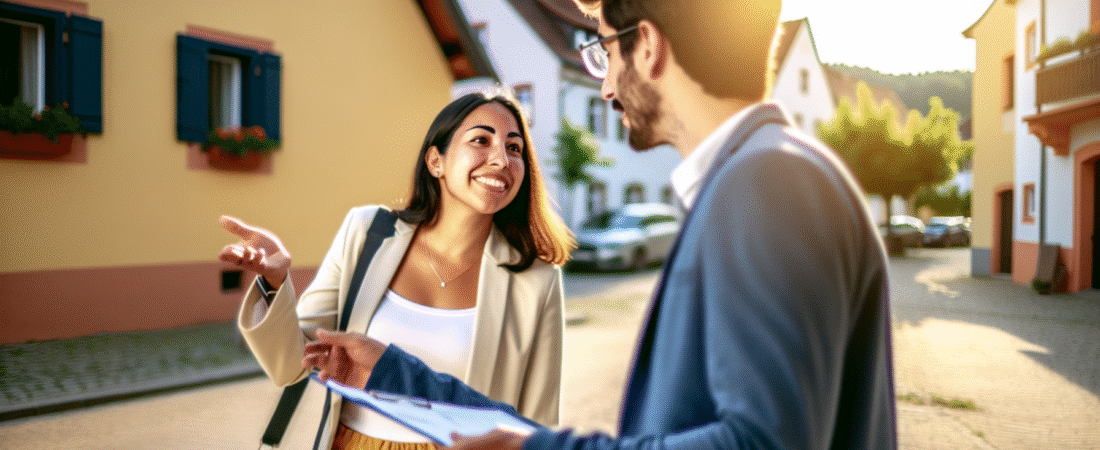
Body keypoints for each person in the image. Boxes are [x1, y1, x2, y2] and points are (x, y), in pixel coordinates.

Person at [304, 0, 899, 448]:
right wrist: (393, 371)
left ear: (647, 47)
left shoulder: (766, 183)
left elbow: (763, 442)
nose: (605, 84)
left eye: (603, 52)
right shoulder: (759, 175)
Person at [219, 90, 574, 449]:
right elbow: (292, 364)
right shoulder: (368, 232)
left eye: (515, 148)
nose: (500, 158)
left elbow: (538, 426)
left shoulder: (537, 281)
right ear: (436, 161)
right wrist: (275, 282)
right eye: (481, 140)